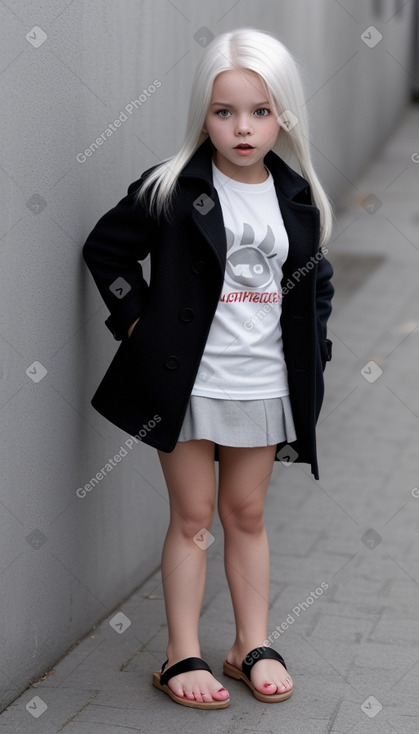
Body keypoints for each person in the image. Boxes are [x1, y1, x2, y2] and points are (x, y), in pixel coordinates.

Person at [82, 27, 334, 710]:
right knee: (193, 516)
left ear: (283, 113)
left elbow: (316, 284)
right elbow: (105, 251)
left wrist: (317, 350)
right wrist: (136, 324)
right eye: (225, 112)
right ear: (204, 113)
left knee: (245, 513)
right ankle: (179, 653)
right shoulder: (171, 187)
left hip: (263, 385)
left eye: (259, 111)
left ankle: (249, 643)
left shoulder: (297, 197)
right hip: (186, 384)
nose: (242, 128)